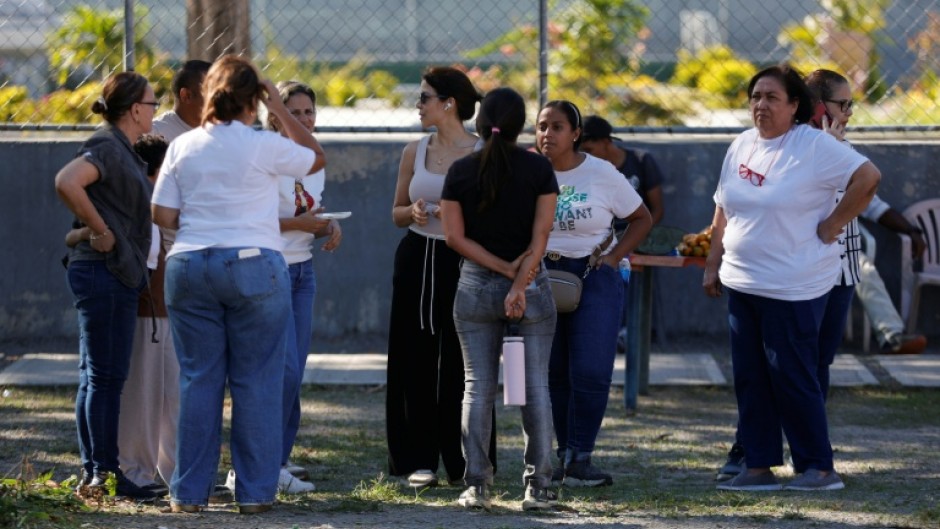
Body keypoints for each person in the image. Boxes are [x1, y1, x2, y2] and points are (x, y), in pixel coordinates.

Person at [715, 68, 925, 482]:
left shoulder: (821, 146)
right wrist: (714, 259)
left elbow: (869, 192)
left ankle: (812, 460)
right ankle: (753, 456)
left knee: (803, 370)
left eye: (851, 104)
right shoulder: (761, 142)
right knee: (758, 371)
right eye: (843, 104)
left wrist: (834, 225)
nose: (849, 112)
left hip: (823, 274)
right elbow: (731, 201)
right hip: (754, 277)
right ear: (816, 106)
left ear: (793, 106)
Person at [151, 55, 325, 514]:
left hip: (189, 264)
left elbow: (162, 214)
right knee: (257, 381)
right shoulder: (260, 143)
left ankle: (188, 494)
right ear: (254, 100)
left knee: (199, 379)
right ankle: (254, 494)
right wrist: (279, 106)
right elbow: (315, 157)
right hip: (253, 264)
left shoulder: (183, 145)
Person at [440, 87, 560, 511]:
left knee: (477, 388)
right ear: (520, 125)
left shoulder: (460, 171)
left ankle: (477, 484)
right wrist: (519, 280)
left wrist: (502, 270)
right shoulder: (539, 169)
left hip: (475, 287)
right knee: (535, 388)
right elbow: (540, 236)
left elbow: (454, 237)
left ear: (480, 122)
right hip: (531, 286)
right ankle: (539, 486)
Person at [386, 66, 496, 488]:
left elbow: (493, 215)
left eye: (425, 97)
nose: (418, 104)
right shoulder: (414, 150)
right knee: (413, 356)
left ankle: (465, 458)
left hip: (462, 260)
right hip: (417, 257)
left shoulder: (483, 152)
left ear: (449, 103)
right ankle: (417, 459)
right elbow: (395, 213)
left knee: (463, 360)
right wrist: (411, 213)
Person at [535, 101, 652, 487]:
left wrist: (616, 256)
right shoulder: (529, 171)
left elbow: (641, 218)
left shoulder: (601, 172)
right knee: (553, 372)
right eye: (540, 127)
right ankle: (561, 453)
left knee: (591, 369)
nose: (547, 134)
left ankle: (582, 457)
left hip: (593, 273)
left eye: (556, 127)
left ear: (575, 133)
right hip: (542, 275)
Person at [54, 71, 159, 500]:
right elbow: (66, 181)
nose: (155, 110)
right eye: (152, 103)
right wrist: (100, 232)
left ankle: (96, 472)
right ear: (135, 110)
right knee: (105, 376)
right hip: (103, 271)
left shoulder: (124, 151)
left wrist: (93, 232)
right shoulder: (107, 147)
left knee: (97, 375)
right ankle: (104, 474)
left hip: (110, 272)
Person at [110, 60, 211, 498]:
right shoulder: (157, 140)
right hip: (157, 280)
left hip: (191, 277)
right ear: (185, 94)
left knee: (178, 386)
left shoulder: (212, 136)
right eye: (210, 91)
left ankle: (177, 475)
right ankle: (135, 469)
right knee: (146, 384)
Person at [266, 81, 342, 492]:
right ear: (275, 114)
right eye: (293, 112)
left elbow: (310, 209)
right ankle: (262, 463)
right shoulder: (267, 155)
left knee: (294, 373)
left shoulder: (315, 159)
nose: (303, 119)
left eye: (308, 112)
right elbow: (255, 218)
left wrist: (329, 224)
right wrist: (300, 224)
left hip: (302, 271)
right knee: (284, 369)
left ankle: (278, 458)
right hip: (272, 267)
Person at [579, 115, 665, 226]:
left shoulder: (640, 160)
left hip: (637, 232)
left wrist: (638, 235)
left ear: (605, 142)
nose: (586, 156)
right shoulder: (585, 167)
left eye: (589, 150)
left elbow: (657, 210)